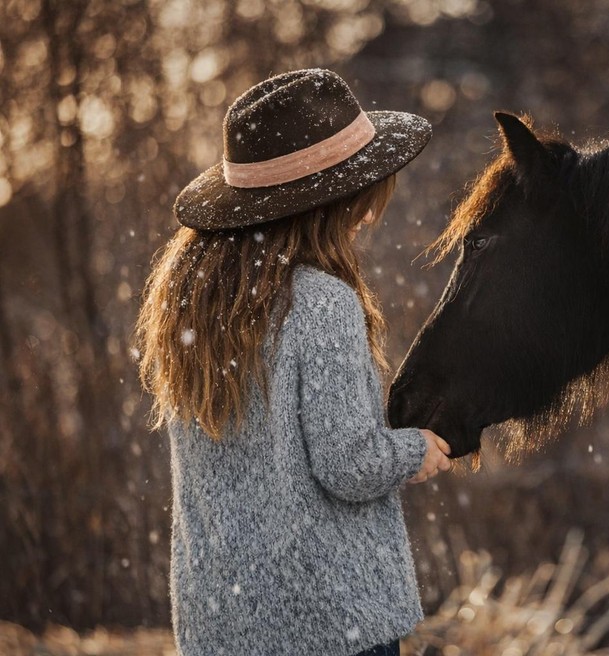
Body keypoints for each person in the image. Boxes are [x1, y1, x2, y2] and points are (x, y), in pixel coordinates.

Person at [135, 69, 451, 656]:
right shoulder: (320, 302)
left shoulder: (194, 299)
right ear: (333, 200)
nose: (371, 212)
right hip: (329, 622)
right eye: (365, 194)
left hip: (222, 622)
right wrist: (416, 450)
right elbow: (348, 464)